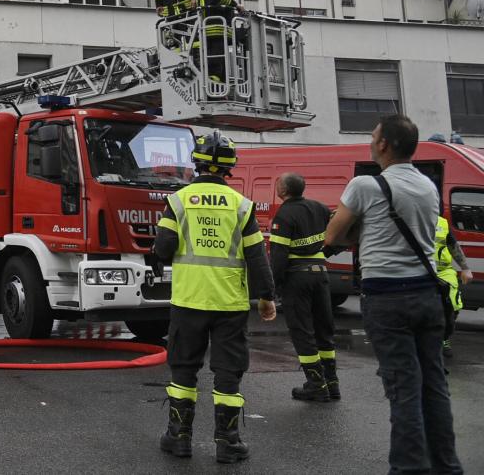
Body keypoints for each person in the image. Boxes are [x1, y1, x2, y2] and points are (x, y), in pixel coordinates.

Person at [326, 115, 462, 475]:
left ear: (384, 144)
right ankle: (447, 466)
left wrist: (359, 232)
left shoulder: (364, 185)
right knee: (433, 385)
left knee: (403, 389)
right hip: (428, 295)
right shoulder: (427, 187)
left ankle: (408, 468)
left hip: (387, 297)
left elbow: (332, 236)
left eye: (373, 135)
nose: (371, 140)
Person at [154, 130, 276, 463]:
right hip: (229, 303)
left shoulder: (177, 201)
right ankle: (228, 443)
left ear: (197, 162)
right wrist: (266, 297)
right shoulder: (241, 206)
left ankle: (178, 438)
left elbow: (163, 250)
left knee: (183, 369)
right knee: (227, 372)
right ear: (229, 167)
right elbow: (257, 257)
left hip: (189, 300)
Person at [269, 173, 338, 402]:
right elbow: (341, 233)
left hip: (297, 279)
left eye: (278, 182)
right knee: (323, 331)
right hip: (321, 276)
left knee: (302, 332)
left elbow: (279, 257)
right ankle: (331, 383)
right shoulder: (319, 208)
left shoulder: (284, 214)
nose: (276, 185)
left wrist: (272, 288)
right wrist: (324, 254)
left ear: (284, 190)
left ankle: (316, 385)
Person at [198, 0, 239, 87]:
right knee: (217, 61)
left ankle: (216, 85)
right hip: (216, 26)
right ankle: (217, 87)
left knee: (211, 60)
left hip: (206, 26)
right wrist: (236, 5)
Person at [434, 213, 473, 359]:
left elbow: (452, 245)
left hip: (443, 271)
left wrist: (465, 268)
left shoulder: (442, 223)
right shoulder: (412, 218)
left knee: (453, 304)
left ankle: (444, 337)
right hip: (420, 271)